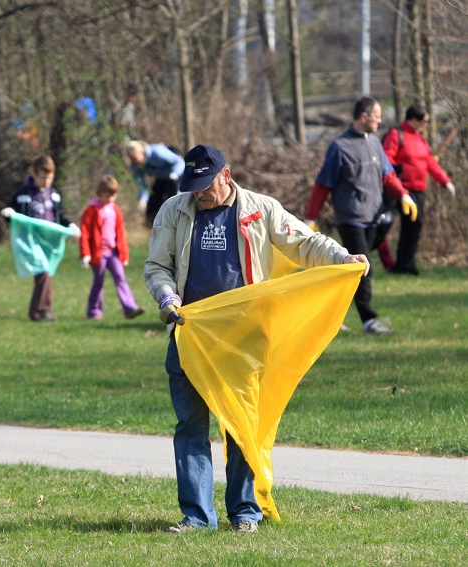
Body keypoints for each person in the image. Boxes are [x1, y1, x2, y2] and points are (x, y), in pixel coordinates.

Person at [145, 144, 369, 534]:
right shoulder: (174, 210)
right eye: (193, 185)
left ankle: (245, 512)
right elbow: (157, 266)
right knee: (190, 427)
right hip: (189, 335)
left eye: (206, 184)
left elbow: (304, 242)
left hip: (245, 338)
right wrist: (166, 297)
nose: (200, 193)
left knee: (241, 426)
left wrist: (341, 258)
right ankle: (197, 517)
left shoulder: (260, 209)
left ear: (226, 176)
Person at [305, 96, 417, 335]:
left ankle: (329, 315)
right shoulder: (340, 147)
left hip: (373, 217)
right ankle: (369, 321)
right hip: (350, 218)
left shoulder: (375, 142)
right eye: (377, 116)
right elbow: (322, 185)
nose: (380, 120)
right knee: (363, 268)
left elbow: (388, 176)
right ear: (364, 117)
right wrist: (311, 218)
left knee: (348, 272)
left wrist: (403, 195)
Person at [0, 155, 80, 322]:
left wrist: (71, 225)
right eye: (43, 177)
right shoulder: (23, 194)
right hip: (31, 242)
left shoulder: (55, 194)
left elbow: (61, 215)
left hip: (49, 244)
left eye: (50, 178)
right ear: (34, 174)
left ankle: (36, 311)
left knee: (44, 273)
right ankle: (42, 311)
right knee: (42, 271)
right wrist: (8, 214)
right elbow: (13, 213)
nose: (46, 182)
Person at [382, 104, 456, 275]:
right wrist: (399, 172)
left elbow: (430, 163)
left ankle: (406, 262)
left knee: (415, 226)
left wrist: (445, 181)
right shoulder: (396, 135)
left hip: (419, 189)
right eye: (423, 121)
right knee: (411, 223)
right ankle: (404, 264)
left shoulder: (420, 139)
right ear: (413, 119)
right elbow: (386, 160)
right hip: (403, 189)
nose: (425, 125)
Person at [79, 175, 145, 320]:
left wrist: (124, 255)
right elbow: (85, 232)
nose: (110, 198)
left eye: (113, 195)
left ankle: (129, 308)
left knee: (121, 278)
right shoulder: (92, 210)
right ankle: (94, 311)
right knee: (99, 281)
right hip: (98, 254)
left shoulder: (115, 210)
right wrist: (86, 253)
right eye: (107, 195)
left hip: (113, 252)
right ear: (99, 193)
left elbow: (120, 234)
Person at [125, 140, 185, 226]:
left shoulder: (157, 152)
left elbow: (180, 162)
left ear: (141, 152)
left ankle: (175, 226)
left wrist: (174, 174)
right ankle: (153, 229)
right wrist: (143, 200)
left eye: (134, 158)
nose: (133, 161)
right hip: (162, 178)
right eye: (131, 158)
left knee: (170, 203)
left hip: (177, 176)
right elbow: (142, 185)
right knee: (152, 206)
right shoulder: (136, 166)